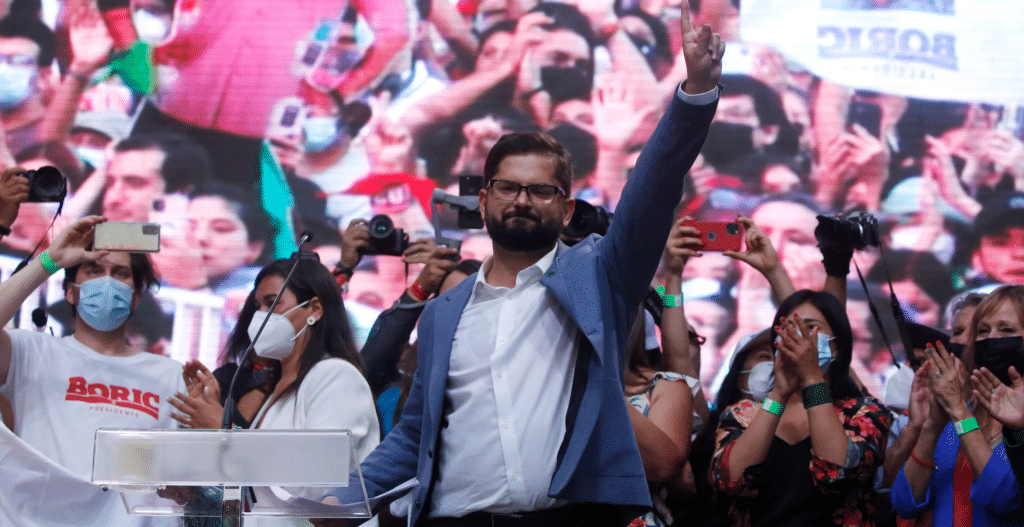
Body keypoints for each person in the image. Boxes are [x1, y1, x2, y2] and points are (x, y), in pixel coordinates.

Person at [319, 8, 725, 526]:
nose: (522, 200)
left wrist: (694, 95)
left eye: (541, 190)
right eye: (508, 188)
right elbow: (414, 437)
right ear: (484, 200)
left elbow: (654, 188)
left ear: (568, 208)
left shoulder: (598, 278)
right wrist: (336, 503)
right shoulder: (444, 313)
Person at [168, 256, 380, 527]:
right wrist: (196, 471)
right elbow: (253, 486)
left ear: (314, 309)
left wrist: (226, 431)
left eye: (271, 303)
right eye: (257, 306)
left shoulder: (337, 377)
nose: (260, 316)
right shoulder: (274, 392)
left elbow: (315, 483)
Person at [0, 216, 184, 480]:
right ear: (70, 292)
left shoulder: (172, 376)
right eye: (94, 271)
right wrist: (50, 261)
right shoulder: (31, 352)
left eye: (120, 273)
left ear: (135, 298)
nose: (107, 282)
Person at [711, 290, 891, 527]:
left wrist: (812, 378)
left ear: (836, 347)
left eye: (810, 327)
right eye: (789, 328)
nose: (798, 337)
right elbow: (730, 482)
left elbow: (837, 473)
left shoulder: (865, 413)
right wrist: (778, 394)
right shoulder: (742, 413)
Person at [891, 285, 1024, 526]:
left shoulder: (963, 414)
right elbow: (904, 503)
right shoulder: (957, 417)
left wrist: (959, 410)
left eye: (1006, 330)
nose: (991, 339)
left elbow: (1004, 499)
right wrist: (932, 426)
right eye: (983, 331)